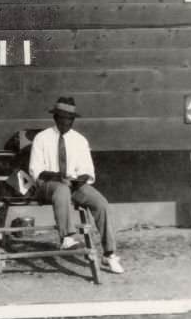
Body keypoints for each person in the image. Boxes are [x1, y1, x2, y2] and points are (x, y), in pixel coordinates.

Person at [28, 96, 124, 274]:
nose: (67, 122)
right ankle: (67, 236)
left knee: (100, 203)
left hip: (72, 186)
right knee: (62, 188)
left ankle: (109, 254)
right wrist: (60, 177)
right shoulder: (42, 138)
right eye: (63, 118)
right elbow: (36, 170)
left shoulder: (80, 140)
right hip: (48, 185)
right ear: (55, 118)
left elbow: (88, 169)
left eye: (70, 119)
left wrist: (80, 178)